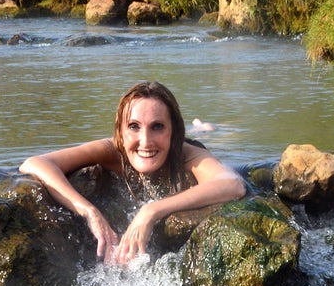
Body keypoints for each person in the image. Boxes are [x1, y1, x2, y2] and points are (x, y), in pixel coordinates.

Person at [19, 81, 246, 265]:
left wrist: (151, 211)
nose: (145, 142)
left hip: (190, 143)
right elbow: (35, 163)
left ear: (173, 132)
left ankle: (205, 128)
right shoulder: (112, 151)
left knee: (212, 133)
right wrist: (89, 212)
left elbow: (233, 184)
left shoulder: (188, 154)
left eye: (157, 126)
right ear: (121, 131)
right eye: (134, 126)